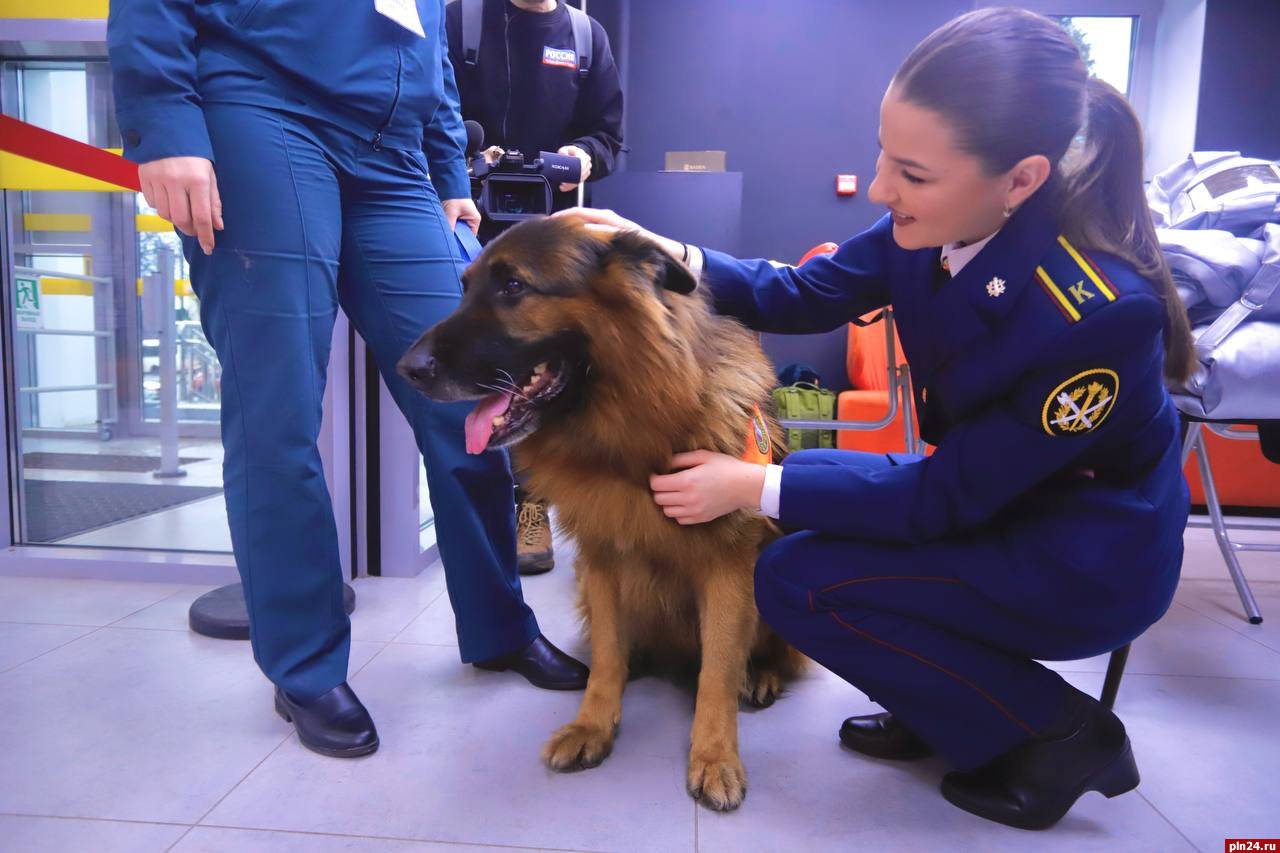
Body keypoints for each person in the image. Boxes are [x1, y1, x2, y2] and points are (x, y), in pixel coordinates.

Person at [564, 7, 1194, 830]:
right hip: (997, 495)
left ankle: (1059, 734)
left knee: (793, 574)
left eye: (913, 173)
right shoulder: (929, 223)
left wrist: (749, 483)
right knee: (806, 485)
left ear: (1021, 180)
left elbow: (946, 499)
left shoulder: (1096, 315)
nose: (879, 188)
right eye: (883, 155)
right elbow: (804, 292)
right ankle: (943, 700)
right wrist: (664, 250)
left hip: (1081, 554)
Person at [107, 0, 588, 760]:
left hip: (394, 152)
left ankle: (500, 627)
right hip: (265, 110)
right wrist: (164, 122)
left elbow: (427, 40)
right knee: (278, 414)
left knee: (474, 396)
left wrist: (446, 169)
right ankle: (305, 667)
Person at [445, 0, 624, 574]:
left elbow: (609, 138)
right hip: (469, 226)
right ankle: (478, 507)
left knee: (542, 374)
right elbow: (433, 111)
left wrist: (581, 157)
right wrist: (471, 157)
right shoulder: (460, 20)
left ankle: (533, 504)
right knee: (472, 368)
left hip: (553, 243)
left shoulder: (585, 37)